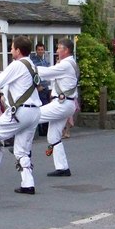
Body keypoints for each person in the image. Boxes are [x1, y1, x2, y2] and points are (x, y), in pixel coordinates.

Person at [0, 35, 41, 195]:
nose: (11, 50)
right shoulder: (31, 65)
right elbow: (13, 81)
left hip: (21, 111)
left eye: (12, 48)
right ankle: (28, 184)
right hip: (34, 112)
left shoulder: (17, 64)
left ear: (18, 50)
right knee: (21, 151)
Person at [36, 37, 79, 177]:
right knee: (53, 136)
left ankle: (17, 143)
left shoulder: (66, 64)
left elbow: (47, 73)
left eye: (59, 48)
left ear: (66, 50)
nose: (56, 50)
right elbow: (51, 77)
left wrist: (27, 67)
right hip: (65, 104)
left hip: (62, 104)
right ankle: (63, 168)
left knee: (32, 115)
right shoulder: (68, 63)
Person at [31, 42, 50, 137]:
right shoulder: (33, 61)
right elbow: (33, 74)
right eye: (39, 50)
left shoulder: (45, 61)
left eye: (42, 49)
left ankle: (45, 129)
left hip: (47, 88)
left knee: (46, 108)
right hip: (40, 89)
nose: (40, 51)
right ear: (36, 50)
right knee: (42, 108)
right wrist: (37, 86)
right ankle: (42, 130)